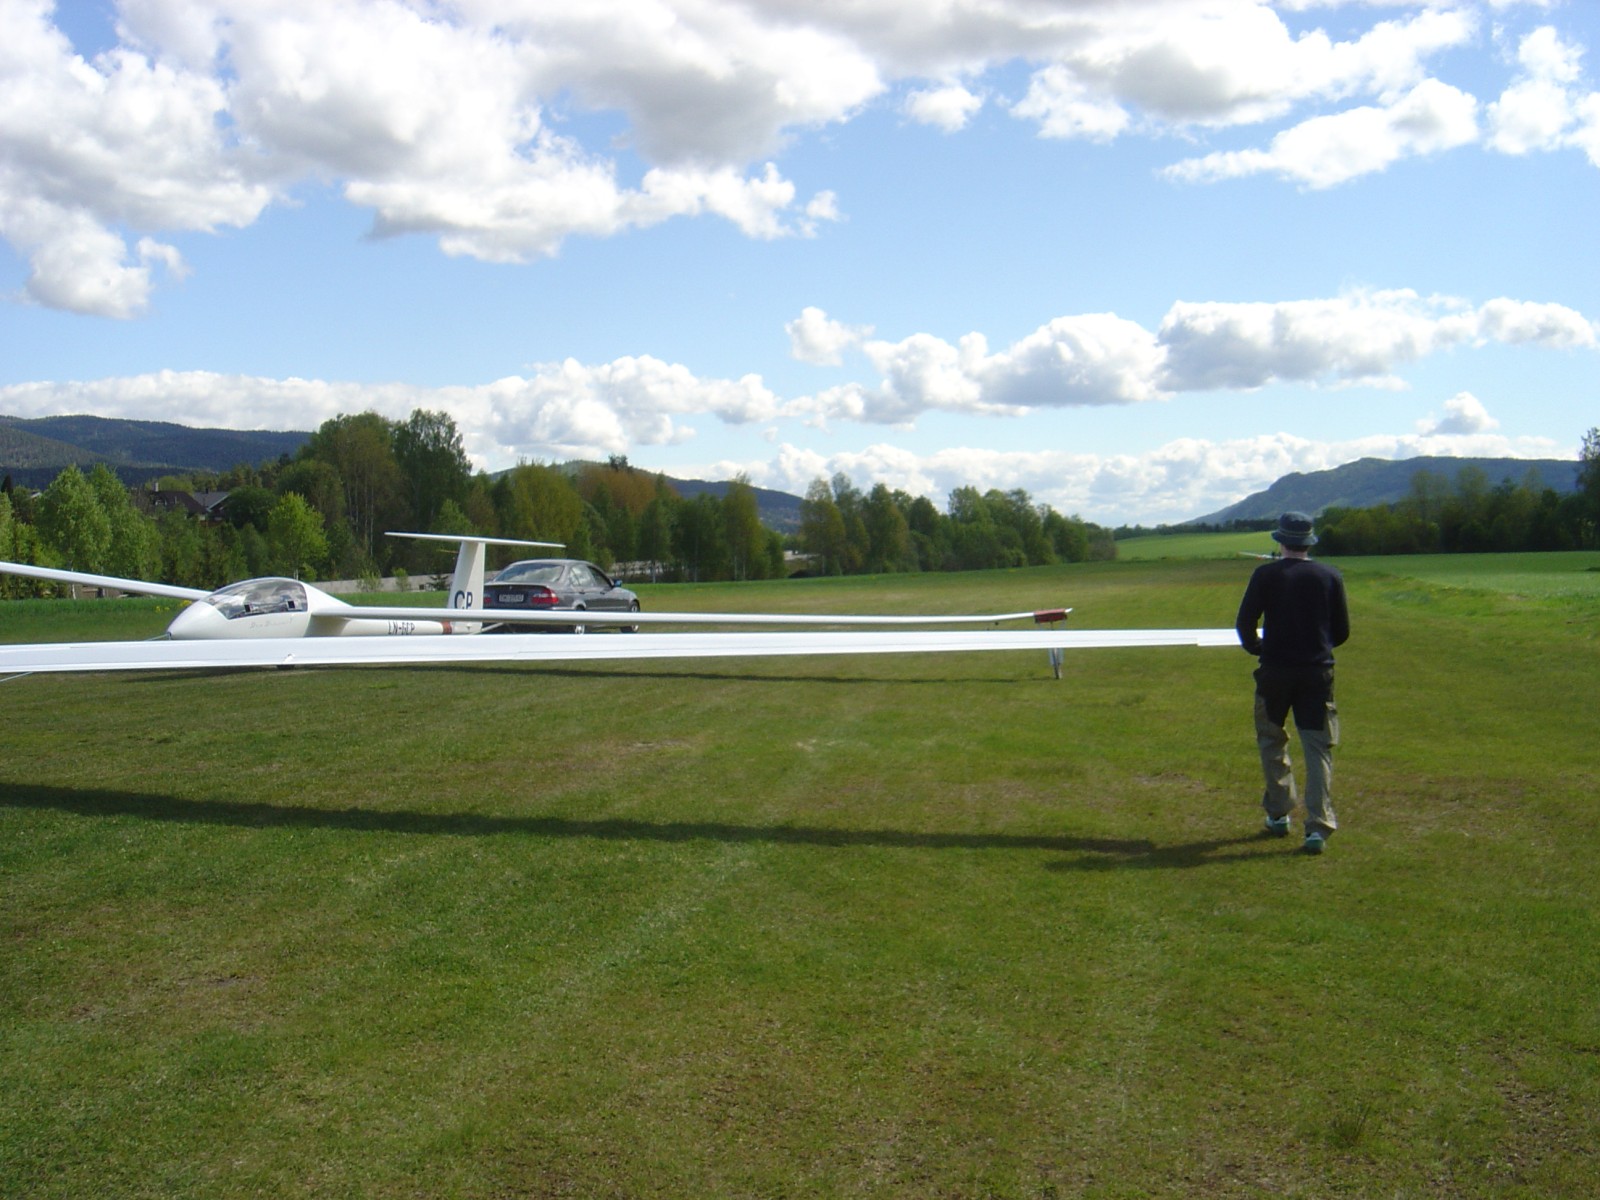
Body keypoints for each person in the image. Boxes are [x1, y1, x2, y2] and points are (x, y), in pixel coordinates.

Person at [1235, 512, 1349, 854]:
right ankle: (1318, 826)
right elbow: (1341, 631)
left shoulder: (1265, 575)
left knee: (1272, 740)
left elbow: (1245, 622)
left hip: (1274, 673)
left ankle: (1279, 812)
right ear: (1308, 542)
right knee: (1317, 747)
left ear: (1281, 541)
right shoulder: (1330, 575)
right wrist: (1317, 647)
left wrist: (1259, 648)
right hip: (1317, 673)